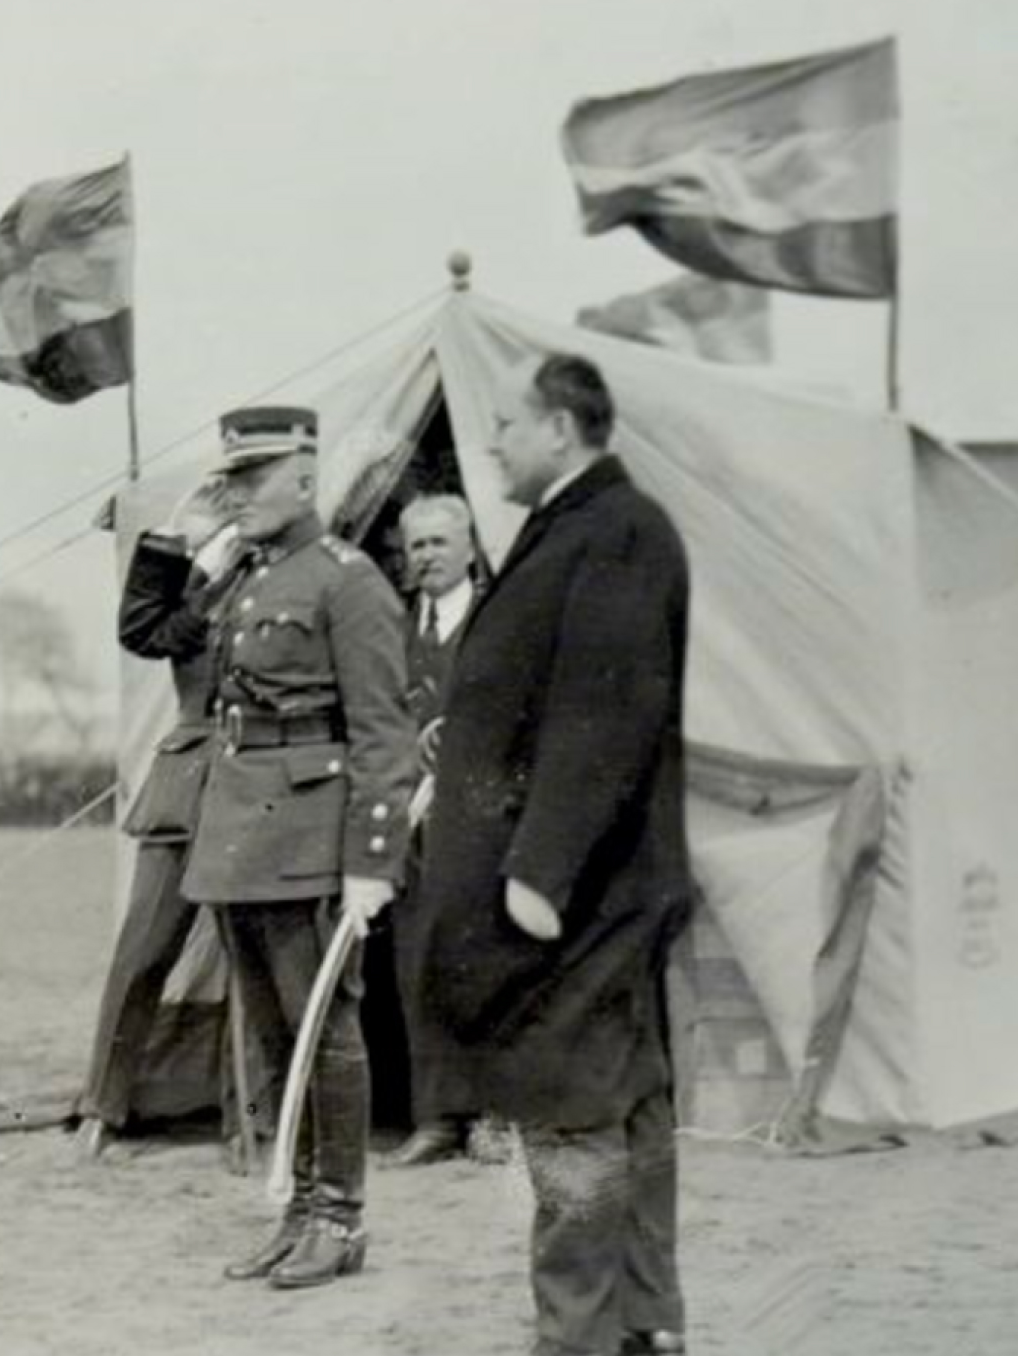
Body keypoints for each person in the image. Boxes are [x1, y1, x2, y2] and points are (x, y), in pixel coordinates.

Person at [400, 355, 693, 1356]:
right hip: (592, 887)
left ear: (561, 428)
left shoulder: (614, 530)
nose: (495, 445)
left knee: (574, 1114)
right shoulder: (581, 526)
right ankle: (643, 1325)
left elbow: (607, 712)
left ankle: (579, 1338)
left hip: (578, 895)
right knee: (628, 1105)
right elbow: (553, 694)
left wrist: (539, 872)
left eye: (509, 427)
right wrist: (473, 740)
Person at [185, 405, 419, 1291]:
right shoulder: (247, 577)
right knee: (279, 1033)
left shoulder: (346, 581)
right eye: (232, 477)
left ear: (308, 478)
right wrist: (193, 540)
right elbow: (160, 634)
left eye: (254, 477)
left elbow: (383, 734)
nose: (236, 491)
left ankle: (340, 1215)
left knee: (326, 1030)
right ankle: (300, 1209)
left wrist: (371, 859)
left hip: (312, 834)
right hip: (242, 831)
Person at [76, 476, 252, 1160]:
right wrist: (176, 536)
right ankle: (104, 1104)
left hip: (255, 788)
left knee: (251, 961)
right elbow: (144, 630)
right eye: (231, 493)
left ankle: (249, 1118)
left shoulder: (290, 569)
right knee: (144, 949)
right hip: (185, 784)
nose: (240, 505)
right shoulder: (203, 571)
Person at [370, 492, 489, 1167]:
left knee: (490, 964)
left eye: (440, 542)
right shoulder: (392, 625)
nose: (428, 557)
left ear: (470, 546)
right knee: (417, 964)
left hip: (486, 820)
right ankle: (437, 1117)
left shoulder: (501, 615)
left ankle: (496, 1117)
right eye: (417, 546)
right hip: (414, 826)